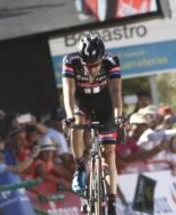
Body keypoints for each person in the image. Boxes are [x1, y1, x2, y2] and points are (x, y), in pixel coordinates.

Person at [62, 33, 123, 214]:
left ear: (101, 59)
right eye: (87, 65)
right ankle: (80, 166)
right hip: (82, 102)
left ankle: (111, 202)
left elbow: (116, 91)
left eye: (95, 65)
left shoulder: (111, 61)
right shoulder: (70, 61)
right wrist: (69, 116)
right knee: (76, 121)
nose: (91, 69)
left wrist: (118, 116)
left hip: (105, 103)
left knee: (109, 154)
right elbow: (68, 92)